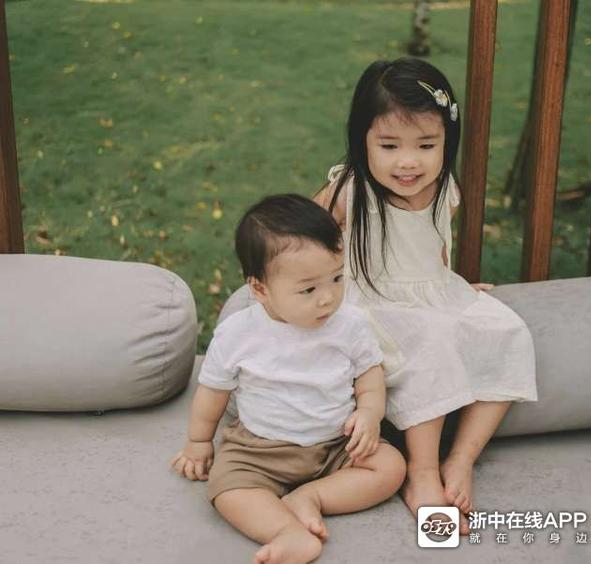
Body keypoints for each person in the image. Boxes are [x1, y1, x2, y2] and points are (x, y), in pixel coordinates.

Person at [314, 58, 537, 535]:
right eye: (389, 146)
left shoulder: (445, 191)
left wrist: (452, 286)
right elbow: (302, 241)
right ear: (362, 141)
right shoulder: (350, 192)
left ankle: (461, 458)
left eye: (426, 145)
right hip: (372, 301)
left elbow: (432, 252)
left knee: (510, 332)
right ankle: (422, 473)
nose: (408, 161)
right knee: (430, 344)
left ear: (446, 142)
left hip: (430, 294)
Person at [171, 194, 406, 564]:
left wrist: (369, 413)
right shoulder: (238, 333)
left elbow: (369, 374)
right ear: (260, 289)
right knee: (226, 488)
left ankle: (311, 497)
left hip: (336, 445)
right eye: (309, 289)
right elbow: (213, 391)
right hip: (260, 449)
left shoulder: (350, 324)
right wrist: (198, 441)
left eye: (337, 278)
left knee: (390, 467)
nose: (328, 298)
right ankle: (286, 532)